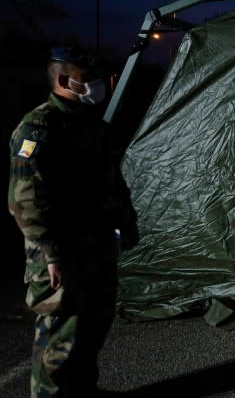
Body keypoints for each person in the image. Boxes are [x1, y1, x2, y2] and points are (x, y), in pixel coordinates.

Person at [8, 47, 139, 397]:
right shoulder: (38, 128)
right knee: (59, 333)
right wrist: (51, 253)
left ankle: (82, 389)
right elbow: (24, 200)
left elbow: (113, 180)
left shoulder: (92, 125)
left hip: (96, 244)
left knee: (93, 323)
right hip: (61, 250)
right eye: (88, 78)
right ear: (64, 80)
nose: (98, 84)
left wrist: (126, 222)